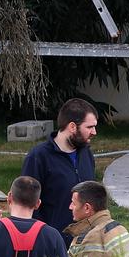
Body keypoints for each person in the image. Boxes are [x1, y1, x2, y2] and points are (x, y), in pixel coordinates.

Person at [22, 98, 98, 234]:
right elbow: (26, 206)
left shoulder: (86, 154)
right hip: (50, 245)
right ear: (72, 127)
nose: (94, 132)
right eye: (89, 127)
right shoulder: (38, 157)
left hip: (86, 243)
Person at [65, 181, 129, 257]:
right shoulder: (119, 228)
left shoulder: (91, 237)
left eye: (73, 203)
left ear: (87, 208)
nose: (70, 207)